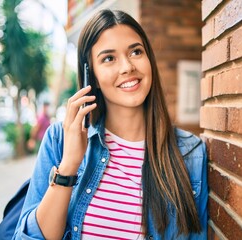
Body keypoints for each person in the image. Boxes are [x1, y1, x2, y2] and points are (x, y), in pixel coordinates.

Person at [13, 9, 208, 239]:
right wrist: (69, 166)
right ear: (91, 75)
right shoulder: (60, 139)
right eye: (108, 58)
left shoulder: (190, 152)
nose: (127, 67)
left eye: (136, 52)